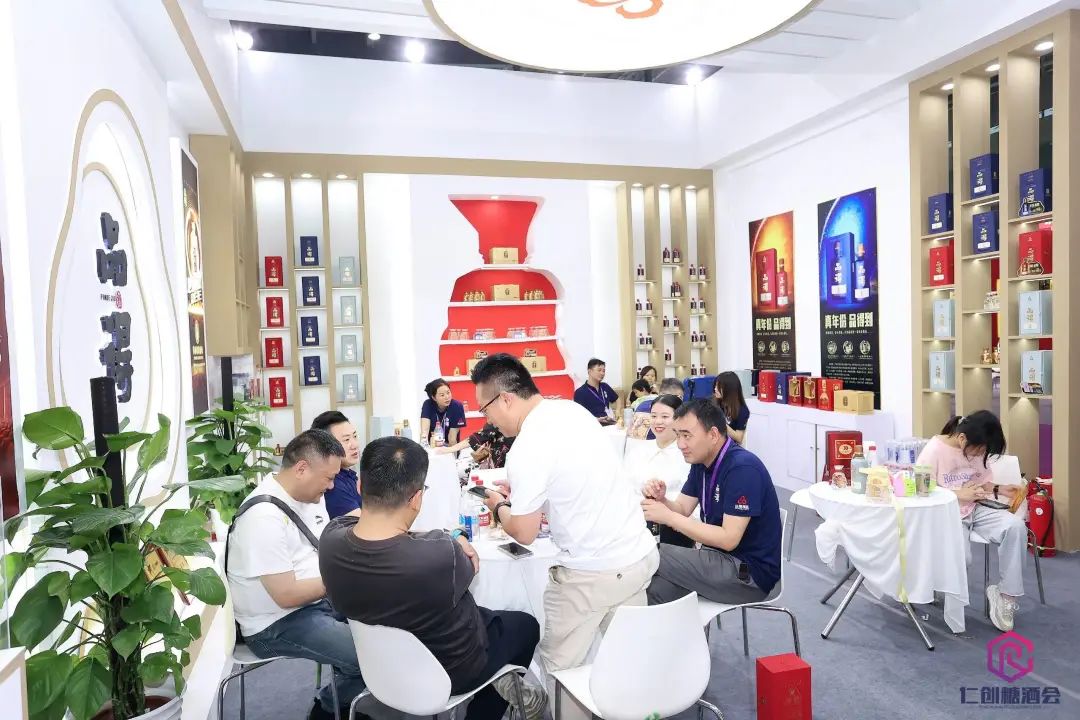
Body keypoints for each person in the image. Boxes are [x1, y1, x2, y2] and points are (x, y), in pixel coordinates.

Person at [319, 437, 546, 720]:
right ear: (417, 498)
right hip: (453, 670)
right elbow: (468, 568)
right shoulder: (440, 554)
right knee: (526, 625)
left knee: (484, 615)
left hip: (379, 667)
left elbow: (376, 534)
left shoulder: (331, 539)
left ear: (360, 485)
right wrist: (455, 536)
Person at [471, 354, 658, 677]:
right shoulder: (572, 411)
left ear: (505, 399)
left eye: (485, 410)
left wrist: (498, 506)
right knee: (629, 664)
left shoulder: (526, 447)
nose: (487, 420)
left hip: (590, 574)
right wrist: (527, 495)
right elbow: (576, 478)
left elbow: (524, 532)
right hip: (636, 556)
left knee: (559, 673)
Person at [226, 430, 365, 720]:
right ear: (302, 469)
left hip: (313, 604)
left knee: (388, 621)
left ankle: (348, 694)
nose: (331, 486)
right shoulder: (263, 517)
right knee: (368, 657)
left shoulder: (306, 497)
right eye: (328, 478)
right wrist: (342, 579)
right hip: (276, 624)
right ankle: (327, 708)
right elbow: (286, 595)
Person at [642, 399, 782, 606]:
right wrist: (663, 501)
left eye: (687, 435)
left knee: (646, 553)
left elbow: (728, 539)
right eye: (678, 435)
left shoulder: (742, 468)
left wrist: (669, 517)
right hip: (714, 558)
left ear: (713, 435)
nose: (680, 444)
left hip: (747, 574)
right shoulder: (701, 462)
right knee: (654, 589)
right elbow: (682, 509)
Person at [915, 411, 1024, 632]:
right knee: (962, 557)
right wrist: (957, 494)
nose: (982, 454)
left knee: (1015, 527)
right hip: (947, 513)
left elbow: (980, 481)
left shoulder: (976, 447)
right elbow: (921, 489)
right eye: (980, 450)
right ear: (962, 438)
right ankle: (938, 588)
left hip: (976, 507)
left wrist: (998, 488)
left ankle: (1006, 595)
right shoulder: (934, 450)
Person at [623, 395, 694, 548]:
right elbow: (624, 488)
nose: (658, 421)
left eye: (665, 417)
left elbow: (688, 504)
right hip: (634, 524)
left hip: (673, 529)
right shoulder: (638, 450)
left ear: (679, 419)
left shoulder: (687, 455)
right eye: (654, 416)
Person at [311, 411, 362, 518]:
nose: (355, 445)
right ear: (326, 446)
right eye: (346, 439)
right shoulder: (333, 485)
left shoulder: (347, 473)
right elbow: (363, 525)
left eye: (355, 436)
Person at [439, 421, 515, 469]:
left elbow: (474, 439)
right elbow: (477, 438)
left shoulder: (499, 420)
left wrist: (449, 449)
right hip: (491, 459)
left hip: (500, 466)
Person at [572, 357, 620, 424]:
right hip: (593, 425)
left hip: (609, 423)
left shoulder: (605, 386)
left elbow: (617, 399)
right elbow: (578, 415)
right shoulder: (580, 392)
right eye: (599, 370)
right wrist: (596, 420)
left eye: (603, 371)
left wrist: (618, 410)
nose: (602, 373)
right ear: (589, 371)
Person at [420, 378, 467, 446]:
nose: (447, 397)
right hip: (432, 446)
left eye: (448, 393)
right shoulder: (428, 405)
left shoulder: (457, 406)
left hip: (450, 447)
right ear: (434, 398)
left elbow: (452, 438)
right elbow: (424, 433)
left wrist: (449, 452)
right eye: (442, 395)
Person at [713, 371, 750, 445]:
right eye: (715, 386)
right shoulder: (715, 403)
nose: (715, 389)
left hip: (728, 446)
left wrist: (720, 423)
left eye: (718, 387)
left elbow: (739, 438)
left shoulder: (742, 410)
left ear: (728, 389)